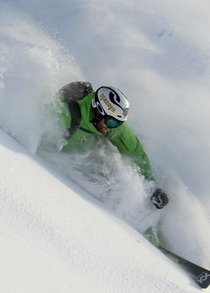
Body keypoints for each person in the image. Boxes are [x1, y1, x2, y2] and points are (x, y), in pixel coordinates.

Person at [55, 81, 169, 209]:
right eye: (113, 122)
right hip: (59, 176)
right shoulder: (66, 116)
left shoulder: (110, 125)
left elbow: (134, 151)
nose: (113, 127)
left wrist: (151, 186)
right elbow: (36, 121)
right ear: (98, 112)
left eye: (118, 123)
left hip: (89, 164)